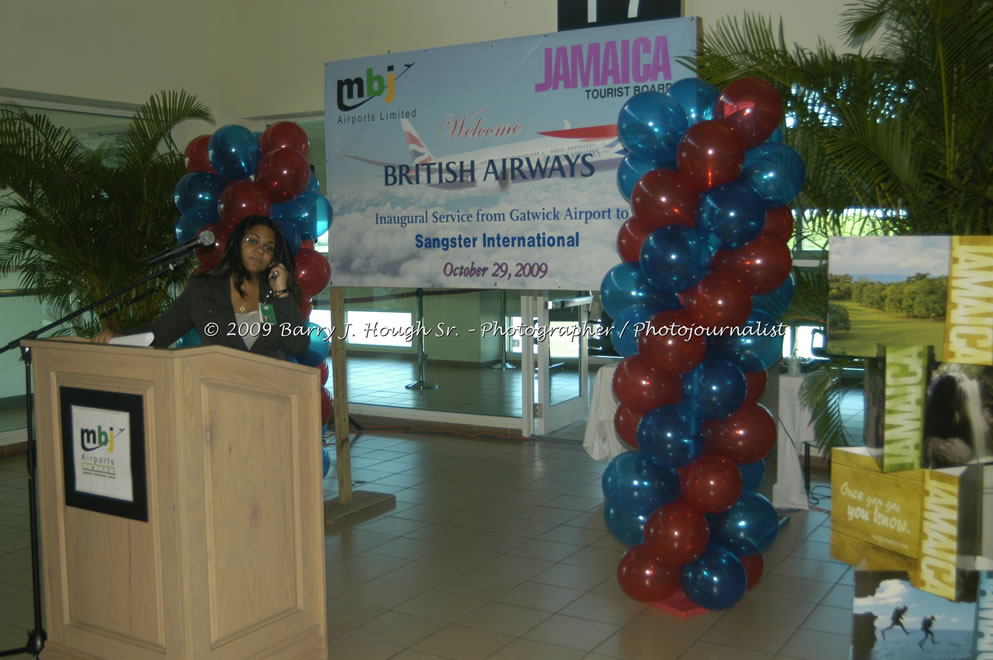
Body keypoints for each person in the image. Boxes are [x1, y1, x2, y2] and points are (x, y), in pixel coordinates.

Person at [93, 215, 309, 360]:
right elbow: (161, 332)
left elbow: (297, 346)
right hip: (219, 396)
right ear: (235, 243)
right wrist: (119, 337)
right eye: (252, 241)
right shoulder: (203, 290)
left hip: (273, 398)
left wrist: (282, 291)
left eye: (268, 248)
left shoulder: (275, 294)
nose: (260, 250)